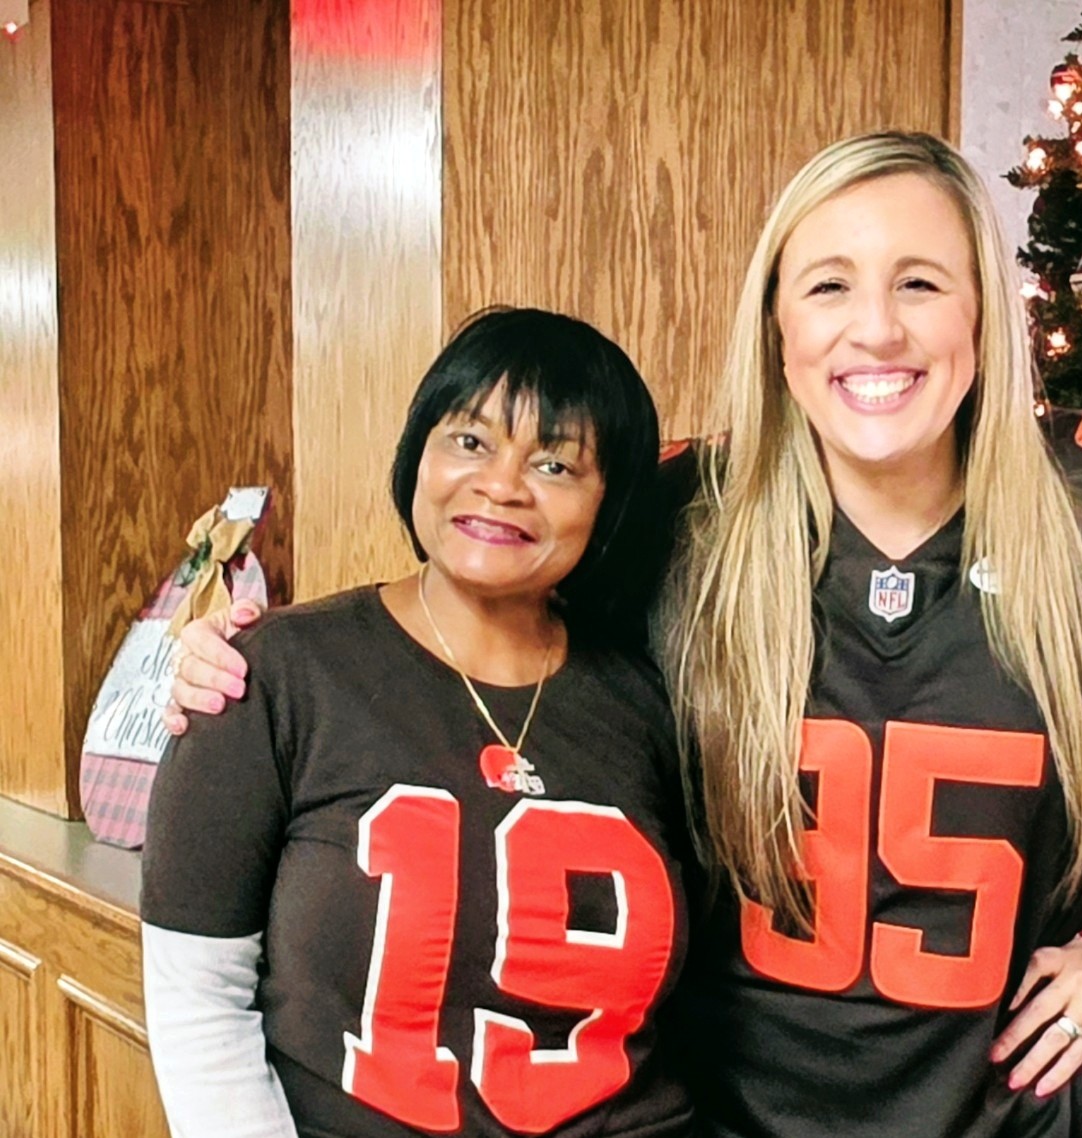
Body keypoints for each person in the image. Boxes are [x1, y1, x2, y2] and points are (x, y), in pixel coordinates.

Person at [165, 133, 1082, 1137]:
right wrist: (236, 665)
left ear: (984, 313)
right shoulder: (684, 510)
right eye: (828, 285)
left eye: (919, 283)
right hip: (716, 1116)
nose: (873, 330)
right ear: (778, 324)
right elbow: (479, 598)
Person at [141, 307, 694, 1138]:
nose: (502, 485)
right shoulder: (271, 676)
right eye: (470, 441)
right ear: (417, 456)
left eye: (555, 463)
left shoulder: (650, 706)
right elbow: (198, 1002)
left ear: (608, 504)